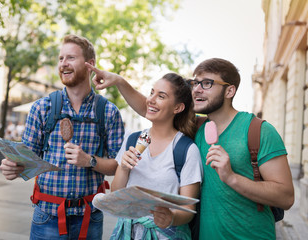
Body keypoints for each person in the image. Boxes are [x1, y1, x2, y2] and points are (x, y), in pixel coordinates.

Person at [86, 57, 295, 239]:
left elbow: (286, 197)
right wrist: (119, 81)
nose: (196, 89)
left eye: (207, 83)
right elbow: (155, 109)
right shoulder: (200, 129)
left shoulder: (258, 131)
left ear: (230, 90)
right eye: (195, 83)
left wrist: (232, 178)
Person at [0, 34, 125, 240]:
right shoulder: (42, 107)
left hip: (89, 216)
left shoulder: (108, 112)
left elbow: (117, 167)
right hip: (47, 216)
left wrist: (89, 161)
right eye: (60, 58)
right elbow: (28, 160)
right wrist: (12, 167)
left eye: (71, 58)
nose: (63, 64)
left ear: (90, 64)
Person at [109, 73, 202, 239]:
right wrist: (123, 168)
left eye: (161, 96)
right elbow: (116, 193)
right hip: (128, 233)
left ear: (178, 108)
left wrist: (171, 217)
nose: (151, 99)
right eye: (152, 92)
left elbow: (188, 209)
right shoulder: (132, 139)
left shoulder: (187, 150)